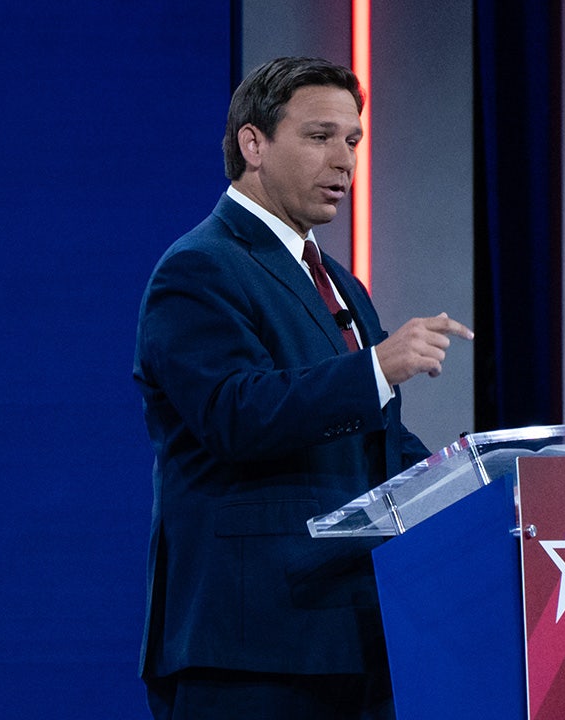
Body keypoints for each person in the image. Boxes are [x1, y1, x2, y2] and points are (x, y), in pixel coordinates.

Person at [133, 56, 473, 719]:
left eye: (353, 140)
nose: (344, 160)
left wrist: (476, 482)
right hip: (247, 649)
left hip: (355, 638)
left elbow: (377, 444)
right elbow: (236, 414)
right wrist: (375, 369)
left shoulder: (341, 283)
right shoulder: (199, 269)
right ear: (253, 144)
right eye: (320, 137)